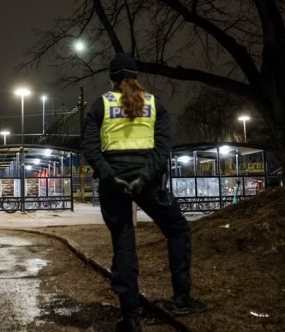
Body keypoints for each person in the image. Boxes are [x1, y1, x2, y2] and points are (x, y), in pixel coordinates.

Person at [81, 53, 207, 332]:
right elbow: (163, 149)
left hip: (114, 186)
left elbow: (90, 148)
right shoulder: (154, 104)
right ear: (136, 76)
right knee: (177, 230)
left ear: (112, 78)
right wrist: (144, 178)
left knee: (124, 245)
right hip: (149, 183)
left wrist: (113, 178)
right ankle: (182, 298)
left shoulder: (101, 105)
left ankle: (131, 317)